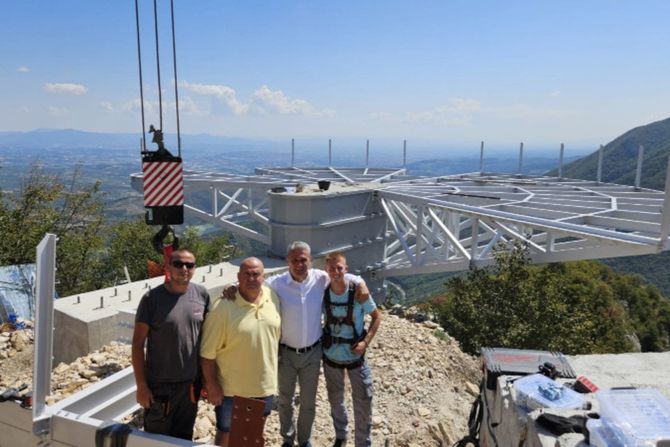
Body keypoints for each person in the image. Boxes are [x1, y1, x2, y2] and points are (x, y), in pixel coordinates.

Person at [268, 242, 368, 447]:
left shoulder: (320, 277)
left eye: (303, 259)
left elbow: (344, 275)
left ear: (310, 261)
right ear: (288, 261)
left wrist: (361, 282)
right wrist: (232, 287)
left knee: (308, 403)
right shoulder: (277, 283)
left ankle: (304, 441)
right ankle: (288, 438)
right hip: (286, 353)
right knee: (285, 400)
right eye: (294, 260)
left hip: (313, 353)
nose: (299, 264)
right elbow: (254, 282)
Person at [200, 257, 281, 447]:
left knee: (254, 435)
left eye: (256, 274)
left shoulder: (272, 296)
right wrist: (212, 385)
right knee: (227, 436)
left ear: (263, 277)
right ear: (238, 277)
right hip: (231, 391)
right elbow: (207, 353)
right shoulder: (223, 307)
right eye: (247, 274)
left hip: (264, 386)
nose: (252, 278)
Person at [131, 249, 210, 440]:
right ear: (167, 267)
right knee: (156, 441)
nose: (184, 269)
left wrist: (207, 379)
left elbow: (207, 339)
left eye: (189, 265)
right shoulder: (152, 299)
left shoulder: (202, 294)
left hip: (190, 385)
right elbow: (137, 344)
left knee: (183, 438)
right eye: (178, 264)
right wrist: (142, 385)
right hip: (160, 386)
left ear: (194, 268)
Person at [321, 252, 381, 447]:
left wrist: (366, 342)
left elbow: (376, 317)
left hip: (356, 356)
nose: (336, 272)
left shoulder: (358, 292)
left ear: (346, 270)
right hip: (332, 357)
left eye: (340, 268)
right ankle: (341, 435)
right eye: (332, 268)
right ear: (326, 270)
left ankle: (362, 442)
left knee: (363, 401)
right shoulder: (323, 291)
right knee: (335, 399)